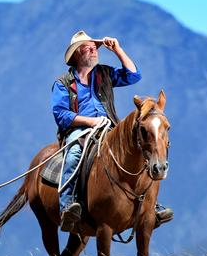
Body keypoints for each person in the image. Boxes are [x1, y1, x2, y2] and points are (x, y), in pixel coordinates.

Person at [51, 30, 174, 232]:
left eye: (94, 47)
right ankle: (67, 207)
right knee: (73, 155)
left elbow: (133, 75)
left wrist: (117, 49)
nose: (93, 50)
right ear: (76, 55)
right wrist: (90, 122)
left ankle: (151, 205)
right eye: (87, 48)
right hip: (80, 130)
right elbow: (61, 115)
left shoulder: (104, 74)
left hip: (110, 127)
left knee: (140, 151)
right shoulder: (63, 83)